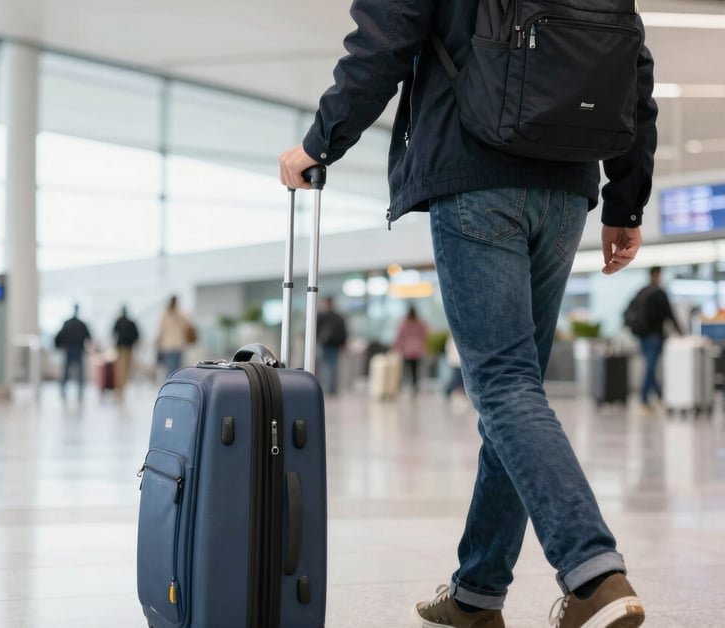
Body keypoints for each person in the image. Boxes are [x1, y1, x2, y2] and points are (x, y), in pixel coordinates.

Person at [278, 1, 655, 626]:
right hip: (566, 191)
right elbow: (632, 65)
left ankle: (594, 574)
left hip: (477, 169)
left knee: (504, 386)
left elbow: (385, 37)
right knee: (514, 393)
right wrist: (626, 198)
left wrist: (321, 141)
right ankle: (478, 592)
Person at [629, 266, 683, 410]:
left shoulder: (641, 292)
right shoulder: (659, 293)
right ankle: (645, 399)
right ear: (657, 275)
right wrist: (681, 332)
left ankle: (658, 396)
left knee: (650, 366)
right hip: (655, 336)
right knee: (651, 367)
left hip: (642, 336)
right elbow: (670, 314)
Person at [54, 304, 92, 401]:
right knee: (77, 372)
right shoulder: (80, 324)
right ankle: (78, 391)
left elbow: (59, 335)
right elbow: (89, 336)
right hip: (76, 349)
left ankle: (68, 390)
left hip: (72, 349)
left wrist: (58, 345)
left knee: (69, 371)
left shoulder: (69, 323)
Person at [393, 305, 428, 394]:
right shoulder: (420, 324)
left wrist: (396, 348)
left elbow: (399, 337)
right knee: (415, 370)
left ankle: (406, 385)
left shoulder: (404, 324)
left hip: (407, 351)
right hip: (417, 351)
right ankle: (414, 386)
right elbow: (426, 335)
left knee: (406, 370)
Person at [156, 295, 195, 377]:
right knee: (178, 369)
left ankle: (170, 386)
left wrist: (158, 342)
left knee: (169, 369)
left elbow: (161, 331)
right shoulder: (182, 314)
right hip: (179, 345)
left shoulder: (165, 314)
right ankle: (175, 385)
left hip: (168, 346)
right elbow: (188, 326)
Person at [316, 296, 347, 395]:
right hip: (324, 345)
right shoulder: (321, 316)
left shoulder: (335, 317)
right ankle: (329, 388)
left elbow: (343, 331)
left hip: (333, 346)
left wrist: (343, 343)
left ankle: (331, 389)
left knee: (332, 367)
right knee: (327, 367)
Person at [112, 306, 140, 398]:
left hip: (121, 348)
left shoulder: (118, 322)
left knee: (120, 370)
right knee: (125, 370)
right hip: (128, 349)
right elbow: (137, 335)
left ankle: (120, 389)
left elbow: (113, 333)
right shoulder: (131, 323)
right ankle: (121, 388)